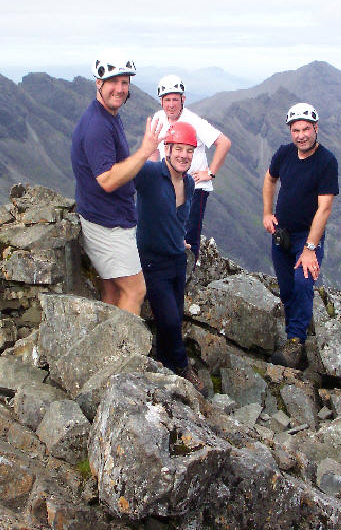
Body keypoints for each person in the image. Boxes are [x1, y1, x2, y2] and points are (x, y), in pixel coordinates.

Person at [70, 53, 162, 315]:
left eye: (125, 82)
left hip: (105, 217)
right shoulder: (98, 125)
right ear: (99, 82)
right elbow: (108, 180)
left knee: (111, 290)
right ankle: (123, 352)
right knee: (135, 290)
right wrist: (144, 152)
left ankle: (103, 349)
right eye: (113, 82)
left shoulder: (108, 116)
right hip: (107, 224)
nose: (120, 89)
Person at [262, 102, 339, 367]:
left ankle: (295, 343)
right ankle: (298, 330)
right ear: (290, 131)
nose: (301, 135)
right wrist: (266, 213)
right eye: (296, 130)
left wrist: (309, 248)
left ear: (316, 128)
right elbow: (270, 179)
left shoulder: (326, 161)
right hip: (281, 233)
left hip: (307, 236)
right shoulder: (284, 154)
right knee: (287, 289)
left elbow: (324, 208)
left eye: (306, 129)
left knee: (304, 283)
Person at [134, 120, 206, 395]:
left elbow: (180, 217)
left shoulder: (188, 182)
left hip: (177, 260)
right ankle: (182, 366)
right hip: (152, 262)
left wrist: (179, 237)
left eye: (189, 150)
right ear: (168, 149)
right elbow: (125, 174)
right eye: (179, 149)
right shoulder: (152, 174)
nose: (184, 155)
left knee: (174, 317)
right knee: (170, 320)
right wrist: (144, 149)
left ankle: (164, 364)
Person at [150, 75, 231, 261]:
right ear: (161, 101)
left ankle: (187, 279)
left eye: (175, 99)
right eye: (167, 99)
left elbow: (224, 143)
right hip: (168, 186)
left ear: (182, 100)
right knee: (167, 231)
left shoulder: (193, 122)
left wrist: (210, 173)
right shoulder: (158, 118)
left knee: (188, 235)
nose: (171, 104)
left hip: (195, 188)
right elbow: (153, 149)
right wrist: (154, 175)